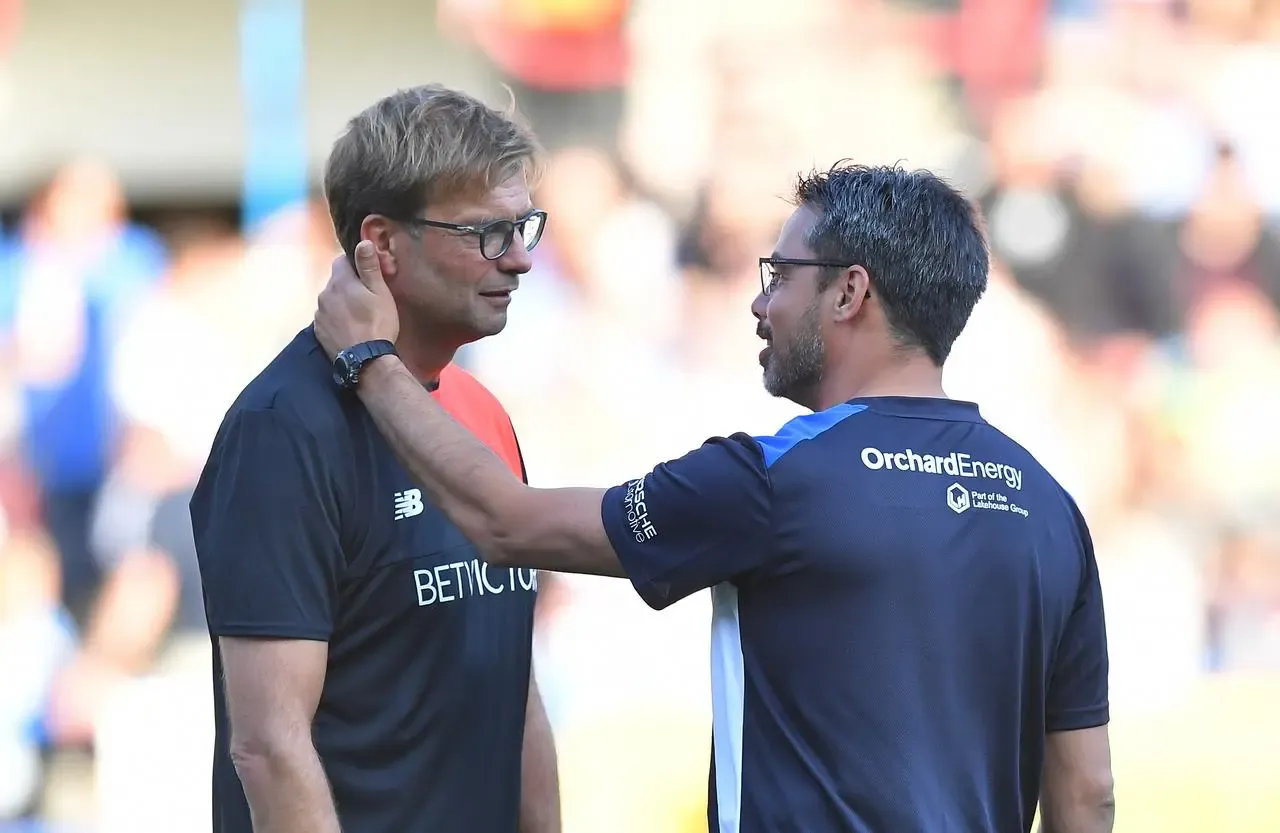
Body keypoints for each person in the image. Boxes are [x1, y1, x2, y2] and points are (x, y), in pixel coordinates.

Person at [314, 162, 1116, 833]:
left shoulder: (774, 480)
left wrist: (370, 361)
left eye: (780, 276)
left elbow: (504, 520)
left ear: (849, 293)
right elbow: (1086, 793)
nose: (761, 303)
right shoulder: (1047, 506)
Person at [190, 85, 560, 833]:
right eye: (488, 233)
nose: (520, 259)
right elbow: (269, 744)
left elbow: (515, 687)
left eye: (523, 226)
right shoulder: (283, 430)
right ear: (381, 243)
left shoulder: (478, 410)